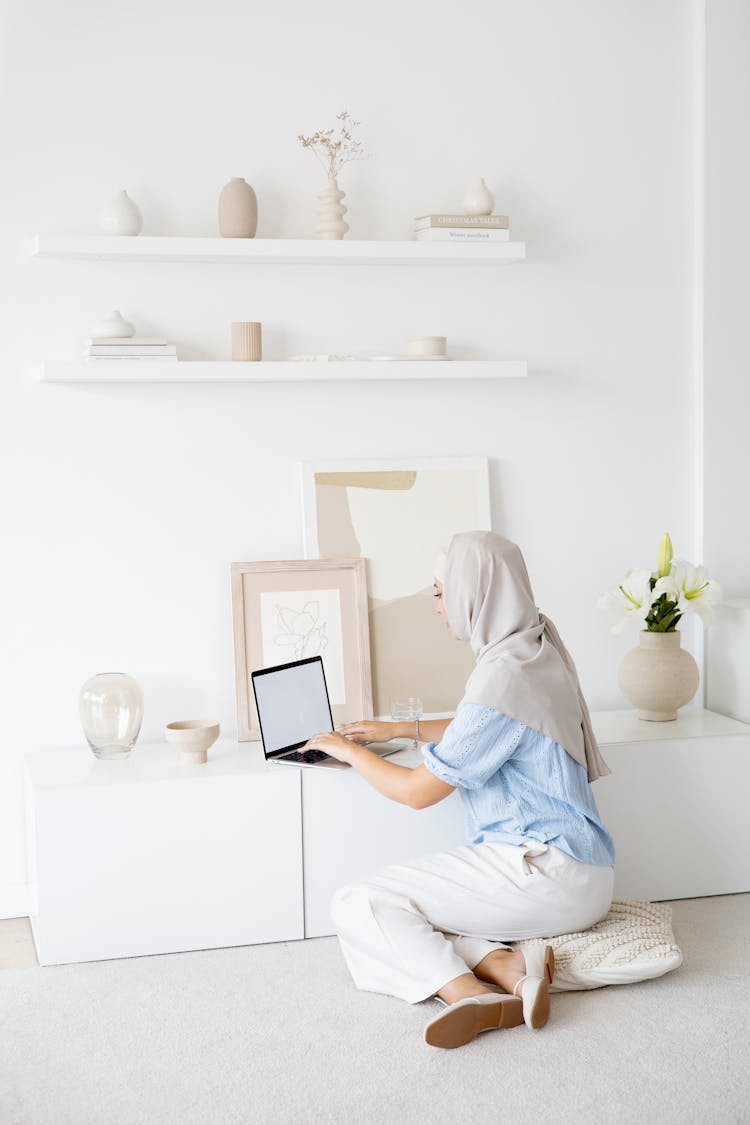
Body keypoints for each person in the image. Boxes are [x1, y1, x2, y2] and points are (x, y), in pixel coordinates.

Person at [302, 531, 615, 1049]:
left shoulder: (501, 678)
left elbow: (417, 793)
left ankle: (469, 995)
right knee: (424, 908)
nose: (438, 606)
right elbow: (490, 724)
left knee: (360, 901)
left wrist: (349, 751)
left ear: (475, 592)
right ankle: (513, 968)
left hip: (544, 872)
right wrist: (401, 729)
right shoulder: (534, 647)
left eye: (441, 591)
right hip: (586, 873)